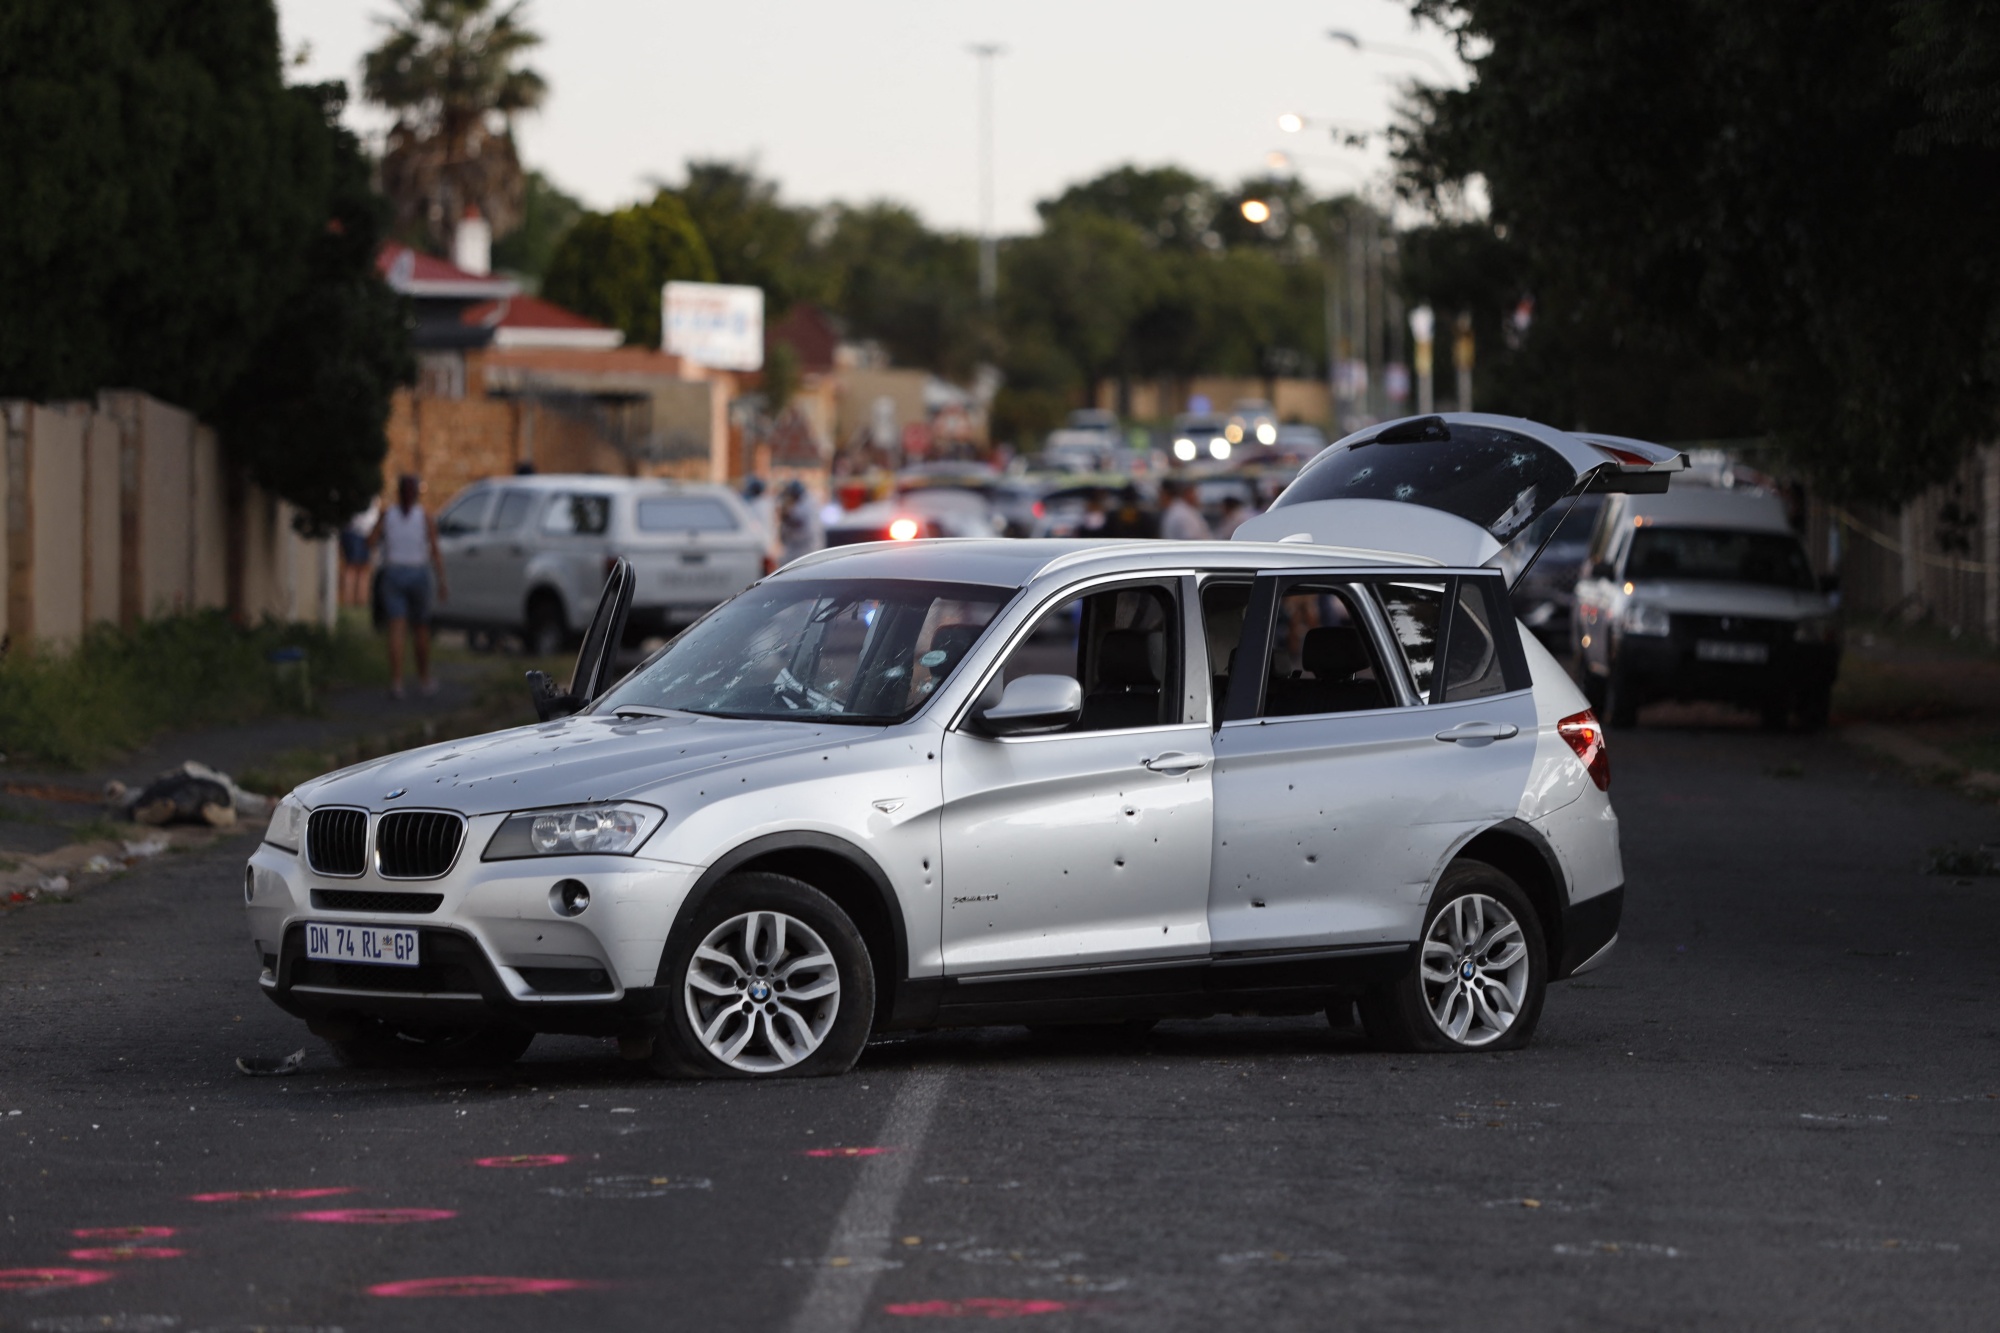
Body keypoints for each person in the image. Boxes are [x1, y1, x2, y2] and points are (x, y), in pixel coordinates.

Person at [371, 474, 448, 699]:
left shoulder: (388, 515)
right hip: (418, 572)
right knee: (420, 628)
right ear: (415, 494)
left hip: (393, 571)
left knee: (396, 629)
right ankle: (424, 680)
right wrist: (442, 581)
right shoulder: (424, 517)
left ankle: (397, 683)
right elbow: (434, 551)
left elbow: (370, 541)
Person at [338, 497, 378, 607]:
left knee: (364, 569)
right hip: (355, 530)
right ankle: (349, 601)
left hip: (367, 532)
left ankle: (361, 601)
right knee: (351, 567)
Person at [777, 480, 825, 565]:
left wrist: (788, 518)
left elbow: (806, 530)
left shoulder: (807, 504)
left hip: (808, 550)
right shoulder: (797, 505)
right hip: (796, 550)